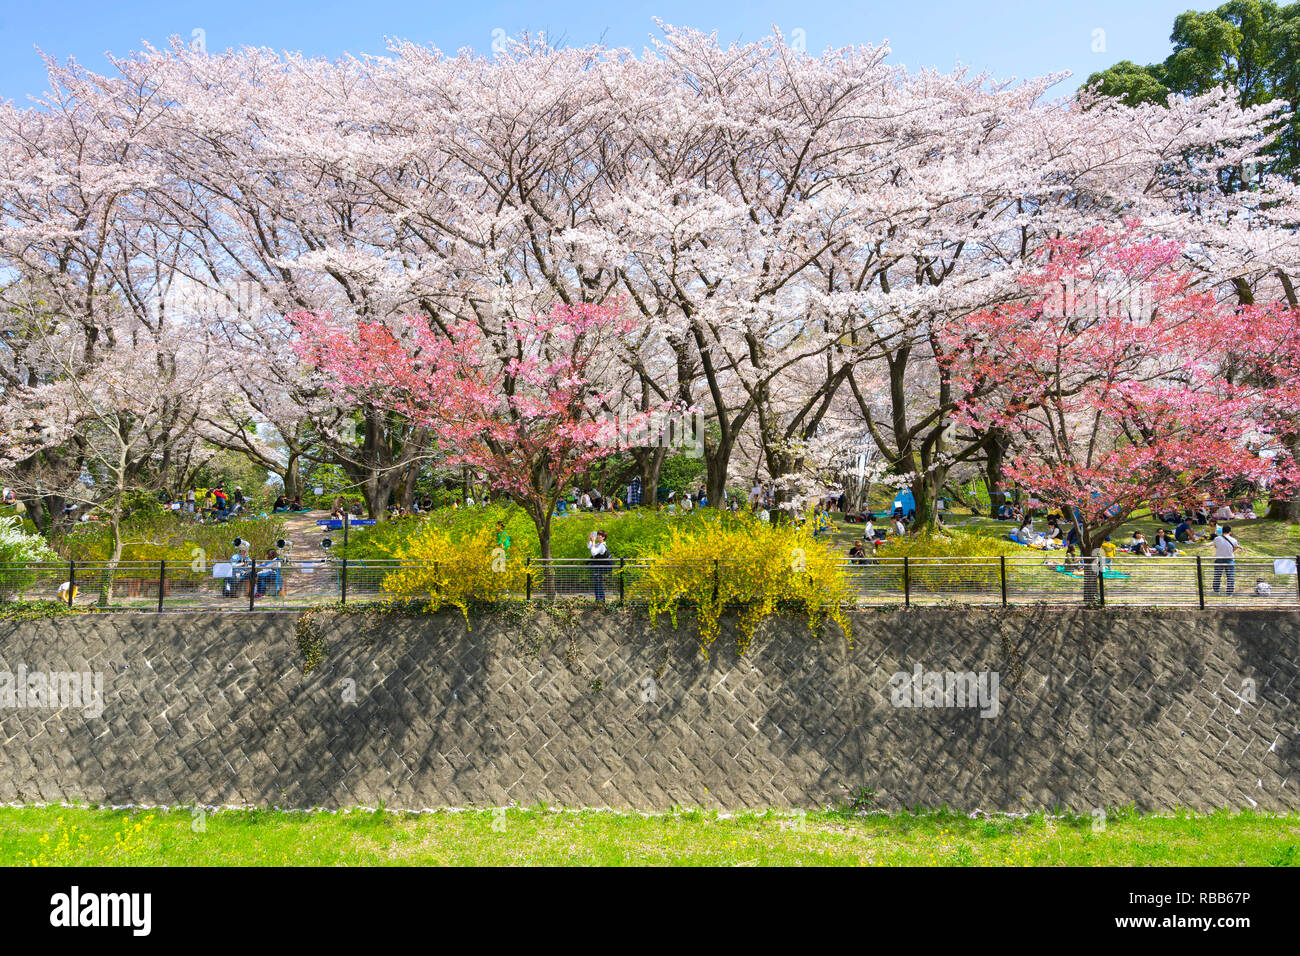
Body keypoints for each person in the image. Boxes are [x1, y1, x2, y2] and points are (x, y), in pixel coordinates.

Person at [1211, 525, 1240, 595]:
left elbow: (1215, 546)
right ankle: (1229, 592)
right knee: (1230, 576)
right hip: (1229, 559)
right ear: (1230, 531)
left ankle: (1216, 590)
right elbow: (1235, 547)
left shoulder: (1216, 539)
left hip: (1219, 558)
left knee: (1217, 575)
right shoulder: (1234, 540)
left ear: (1222, 531)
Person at [587, 530, 612, 602]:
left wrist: (594, 541)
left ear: (603, 537)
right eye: (597, 535)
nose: (597, 536)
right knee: (596, 583)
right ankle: (598, 600)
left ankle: (601, 600)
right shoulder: (599, 544)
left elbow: (593, 552)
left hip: (600, 567)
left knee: (598, 583)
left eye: (599, 535)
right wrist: (589, 538)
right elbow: (589, 546)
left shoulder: (602, 546)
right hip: (597, 567)